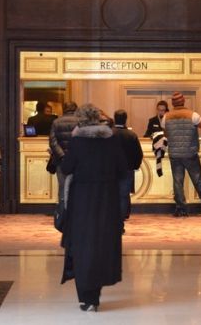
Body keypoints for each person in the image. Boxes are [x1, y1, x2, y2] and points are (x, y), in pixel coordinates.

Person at [60, 103, 127, 312]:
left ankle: (86, 298)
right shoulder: (112, 139)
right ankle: (94, 296)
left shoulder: (78, 141)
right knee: (102, 244)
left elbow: (66, 167)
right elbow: (123, 169)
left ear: (80, 120)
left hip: (82, 199)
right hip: (107, 199)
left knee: (82, 244)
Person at [161, 92, 201, 218]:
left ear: (172, 103)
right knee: (197, 180)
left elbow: (166, 135)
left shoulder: (166, 117)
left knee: (177, 181)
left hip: (174, 154)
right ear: (184, 101)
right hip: (190, 153)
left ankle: (181, 209)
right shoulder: (192, 115)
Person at [112, 109, 143, 233]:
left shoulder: (109, 133)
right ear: (126, 119)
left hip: (111, 168)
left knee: (112, 193)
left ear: (115, 118)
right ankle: (123, 217)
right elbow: (138, 154)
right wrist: (135, 166)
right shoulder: (132, 135)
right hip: (127, 168)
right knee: (124, 195)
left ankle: (113, 217)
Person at [49, 101, 79, 211]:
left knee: (62, 187)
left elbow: (53, 142)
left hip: (60, 161)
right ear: (76, 109)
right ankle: (75, 211)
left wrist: (62, 156)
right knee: (76, 187)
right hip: (77, 161)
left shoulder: (56, 122)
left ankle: (62, 211)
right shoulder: (80, 122)